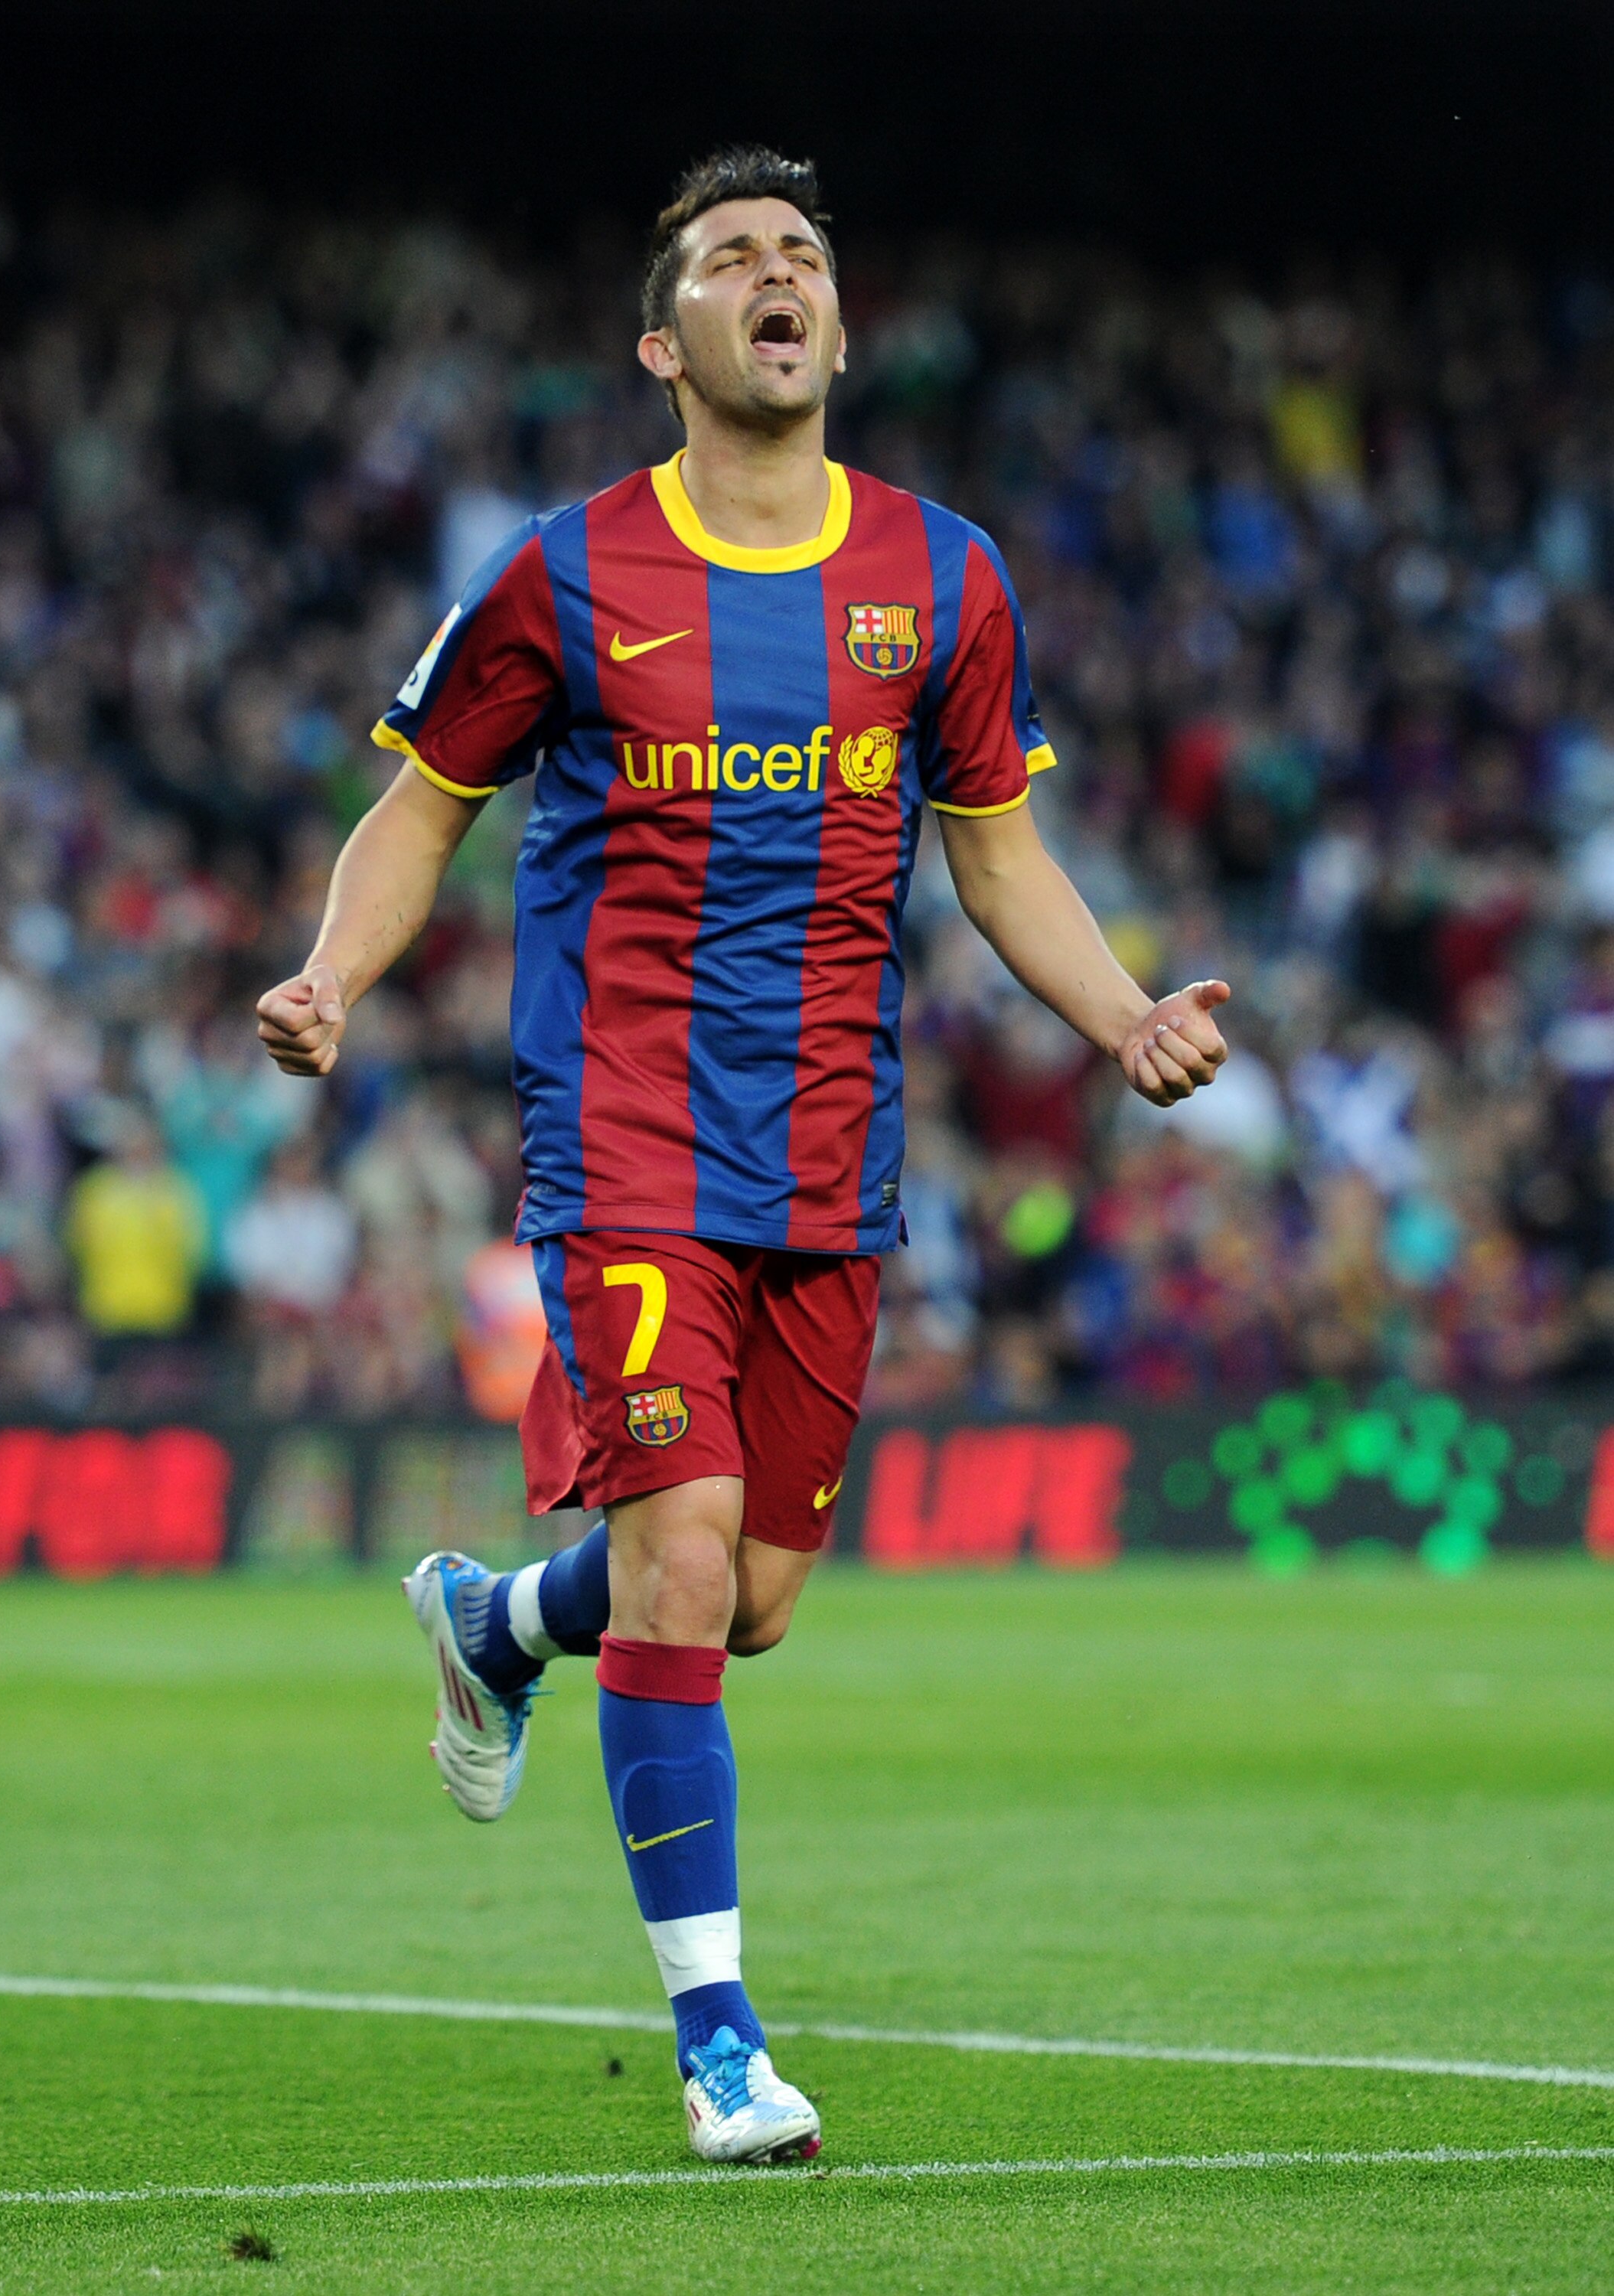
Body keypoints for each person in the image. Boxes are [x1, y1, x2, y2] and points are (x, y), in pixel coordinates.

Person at [256, 146, 1229, 2165]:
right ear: (665, 342)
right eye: (730, 259)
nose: (776, 276)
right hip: (622, 1136)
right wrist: (333, 974)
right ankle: (721, 2050)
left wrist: (1124, 1015)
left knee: (748, 1600)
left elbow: (1000, 853)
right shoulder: (563, 574)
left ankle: (501, 1626)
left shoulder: (945, 577)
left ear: (840, 328)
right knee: (686, 1553)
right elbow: (423, 808)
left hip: (829, 1159)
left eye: (802, 256)